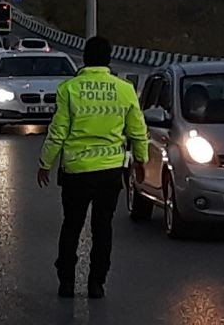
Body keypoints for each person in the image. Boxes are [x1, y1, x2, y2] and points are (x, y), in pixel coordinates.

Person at [37, 36, 147, 300]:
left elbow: (58, 132)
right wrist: (140, 162)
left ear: (85, 57)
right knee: (103, 228)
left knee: (72, 226)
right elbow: (138, 131)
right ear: (109, 59)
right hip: (110, 172)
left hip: (77, 171)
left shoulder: (69, 89)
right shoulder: (125, 89)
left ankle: (66, 283)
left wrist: (45, 163)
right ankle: (97, 283)